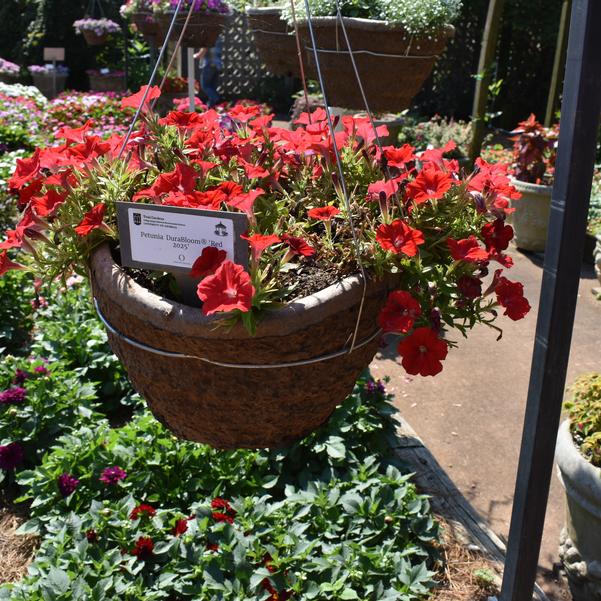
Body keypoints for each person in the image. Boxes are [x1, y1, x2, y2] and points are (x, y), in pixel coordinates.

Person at [195, 35, 223, 108]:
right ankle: (211, 107)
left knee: (205, 86)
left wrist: (195, 56)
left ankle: (217, 99)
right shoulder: (219, 37)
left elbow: (203, 51)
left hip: (209, 65)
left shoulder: (209, 37)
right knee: (212, 87)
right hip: (218, 65)